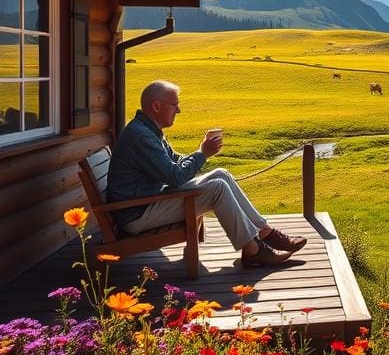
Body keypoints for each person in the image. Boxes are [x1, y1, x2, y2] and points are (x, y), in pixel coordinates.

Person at [107, 80, 307, 268]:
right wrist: (202, 153)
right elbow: (175, 177)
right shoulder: (141, 135)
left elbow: (175, 162)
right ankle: (253, 250)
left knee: (221, 174)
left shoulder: (147, 130)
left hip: (148, 202)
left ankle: (265, 232)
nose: (179, 109)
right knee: (217, 188)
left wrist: (201, 151)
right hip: (137, 214)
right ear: (157, 106)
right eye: (174, 105)